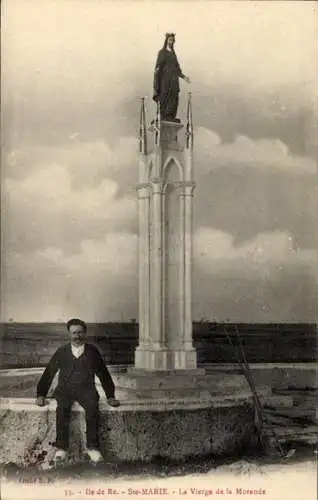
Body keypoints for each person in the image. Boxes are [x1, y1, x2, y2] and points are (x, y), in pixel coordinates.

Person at [36, 318, 120, 464]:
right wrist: (41, 394)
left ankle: (93, 449)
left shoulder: (92, 352)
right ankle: (61, 449)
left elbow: (103, 374)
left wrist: (110, 395)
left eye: (80, 332)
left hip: (86, 389)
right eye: (74, 333)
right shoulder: (62, 351)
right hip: (65, 390)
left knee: (93, 408)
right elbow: (49, 373)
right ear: (69, 334)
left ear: (85, 333)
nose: (77, 336)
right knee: (62, 409)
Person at [153, 33, 190, 122]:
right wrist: (156, 83)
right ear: (166, 40)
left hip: (174, 81)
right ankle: (163, 115)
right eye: (170, 40)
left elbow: (177, 68)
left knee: (173, 98)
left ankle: (170, 115)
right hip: (165, 81)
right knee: (165, 97)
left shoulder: (173, 54)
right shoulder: (162, 53)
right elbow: (158, 68)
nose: (171, 42)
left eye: (173, 40)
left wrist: (184, 77)